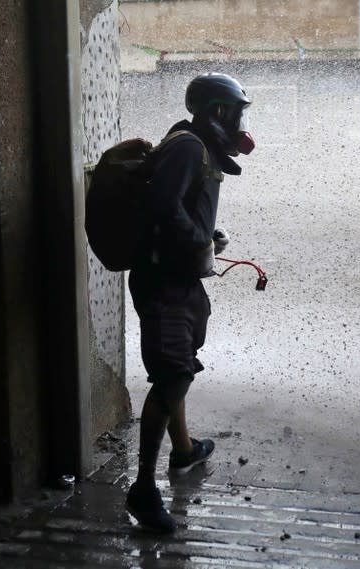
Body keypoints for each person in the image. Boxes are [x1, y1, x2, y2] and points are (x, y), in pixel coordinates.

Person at [125, 73, 255, 533]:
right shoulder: (187, 146)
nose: (241, 122)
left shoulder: (195, 147)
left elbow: (181, 205)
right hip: (163, 281)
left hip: (178, 279)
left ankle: (183, 452)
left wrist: (207, 236)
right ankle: (143, 489)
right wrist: (198, 237)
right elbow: (164, 205)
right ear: (218, 111)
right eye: (236, 111)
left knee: (177, 369)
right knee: (174, 373)